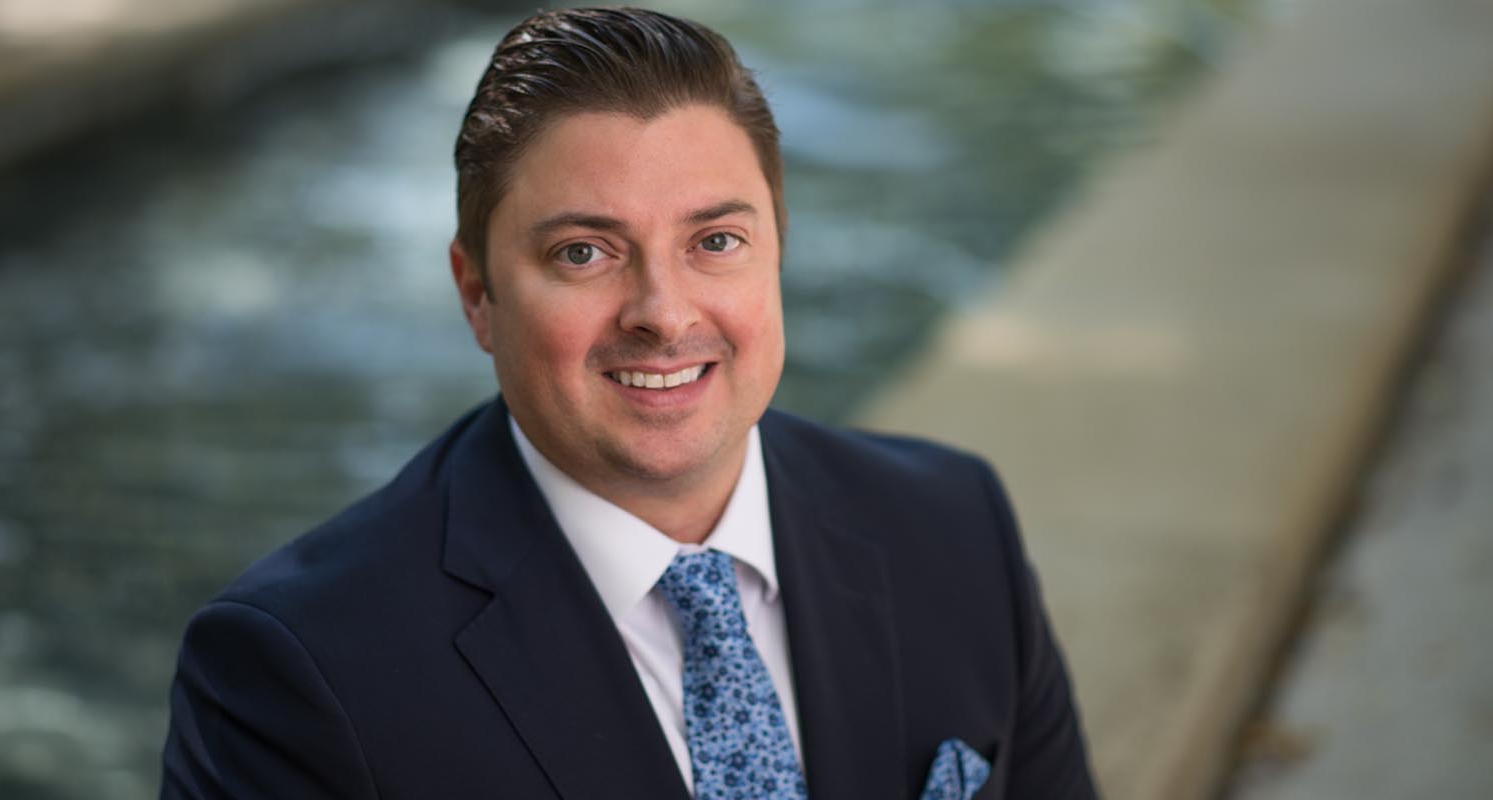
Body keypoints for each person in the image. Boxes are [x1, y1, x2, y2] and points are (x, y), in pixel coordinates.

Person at [159, 7, 1097, 799]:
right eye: (584, 253)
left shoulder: (953, 527)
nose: (663, 313)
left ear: (779, 249)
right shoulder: (298, 670)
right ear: (478, 293)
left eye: (715, 242)